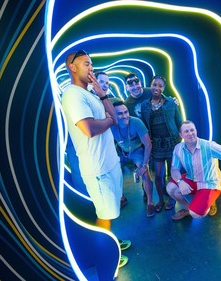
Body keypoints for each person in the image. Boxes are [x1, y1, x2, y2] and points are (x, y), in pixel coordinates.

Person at [61, 50, 130, 267]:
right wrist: (108, 121)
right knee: (104, 214)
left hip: (110, 164)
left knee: (109, 213)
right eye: (86, 64)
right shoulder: (72, 94)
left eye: (91, 64)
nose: (91, 68)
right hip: (98, 169)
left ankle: (111, 242)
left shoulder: (90, 93)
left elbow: (115, 118)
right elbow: (89, 128)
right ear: (72, 67)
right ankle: (106, 259)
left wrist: (101, 92)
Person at [166, 120, 221, 221]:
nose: (190, 133)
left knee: (196, 214)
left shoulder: (208, 146)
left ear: (196, 131)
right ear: (181, 135)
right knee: (170, 188)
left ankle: (203, 205)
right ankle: (188, 209)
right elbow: (174, 169)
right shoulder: (178, 148)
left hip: (209, 183)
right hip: (192, 179)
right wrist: (180, 181)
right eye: (186, 131)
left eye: (192, 130)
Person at [141, 75, 182, 213]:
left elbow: (179, 121)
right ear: (150, 85)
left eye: (160, 85)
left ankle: (172, 198)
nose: (157, 88)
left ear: (163, 88)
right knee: (158, 175)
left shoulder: (171, 102)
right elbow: (145, 125)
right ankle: (160, 200)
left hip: (172, 143)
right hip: (157, 146)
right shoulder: (145, 105)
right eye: (154, 85)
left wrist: (182, 142)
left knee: (173, 173)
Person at [111, 100, 156, 217]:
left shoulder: (136, 122)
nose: (125, 116)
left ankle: (150, 203)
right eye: (120, 114)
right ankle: (121, 197)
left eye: (126, 112)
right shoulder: (111, 125)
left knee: (145, 174)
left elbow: (148, 144)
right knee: (111, 173)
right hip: (120, 151)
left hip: (136, 151)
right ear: (114, 115)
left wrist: (144, 165)